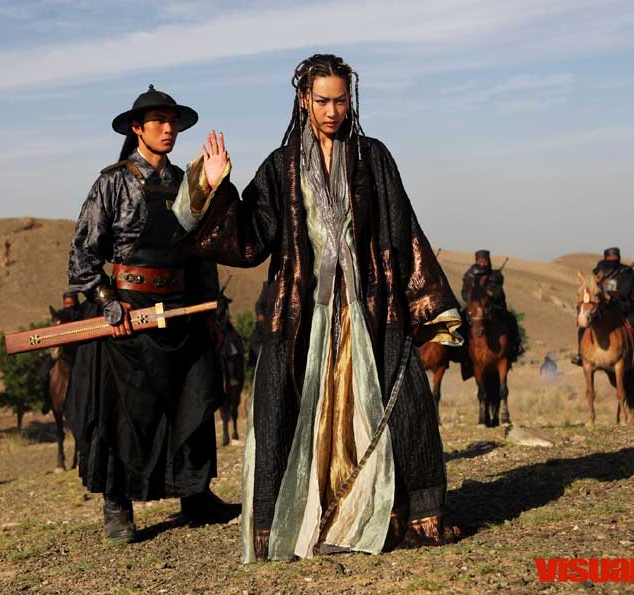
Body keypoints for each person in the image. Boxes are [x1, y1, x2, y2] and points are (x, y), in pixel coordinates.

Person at [172, 54, 462, 561]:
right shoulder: (281, 166)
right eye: (322, 100)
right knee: (287, 413)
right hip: (303, 314)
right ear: (304, 99)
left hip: (369, 308)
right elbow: (250, 238)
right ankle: (303, 520)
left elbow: (403, 231)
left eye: (340, 100)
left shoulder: (373, 157)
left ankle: (388, 514)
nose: (332, 111)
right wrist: (211, 187)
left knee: (396, 407)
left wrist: (425, 301)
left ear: (351, 100)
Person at [64, 85, 237, 544]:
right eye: (159, 121)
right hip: (129, 310)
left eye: (173, 121)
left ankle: (196, 496)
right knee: (126, 411)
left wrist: (210, 313)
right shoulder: (112, 182)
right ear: (137, 129)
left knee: (193, 396)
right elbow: (83, 253)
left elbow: (202, 250)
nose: (168, 129)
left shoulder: (186, 181)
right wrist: (107, 300)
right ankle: (117, 504)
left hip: (183, 307)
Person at [571, 248, 634, 365]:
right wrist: (599, 295)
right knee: (584, 324)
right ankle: (580, 354)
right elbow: (592, 288)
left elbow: (626, 290)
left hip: (621, 304)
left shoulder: (626, 273)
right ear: (605, 258)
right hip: (601, 305)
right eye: (610, 258)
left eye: (615, 258)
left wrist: (612, 296)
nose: (613, 260)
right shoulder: (598, 273)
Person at [460, 250, 523, 361]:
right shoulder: (470, 276)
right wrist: (472, 297)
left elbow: (498, 293)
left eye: (484, 261)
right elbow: (464, 293)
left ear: (488, 261)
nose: (482, 264)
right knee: (460, 320)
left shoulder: (495, 276)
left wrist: (489, 294)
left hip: (493, 306)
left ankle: (515, 346)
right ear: (476, 261)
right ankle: (459, 350)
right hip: (474, 306)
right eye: (480, 261)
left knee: (511, 319)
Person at [40, 291, 81, 415]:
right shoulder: (61, 315)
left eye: (71, 303)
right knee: (43, 372)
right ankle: (47, 401)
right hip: (63, 350)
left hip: (81, 349)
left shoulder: (82, 313)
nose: (68, 305)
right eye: (66, 303)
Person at [246, 281, 271, 369]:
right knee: (254, 339)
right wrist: (260, 315)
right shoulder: (268, 285)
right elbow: (259, 304)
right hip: (266, 323)